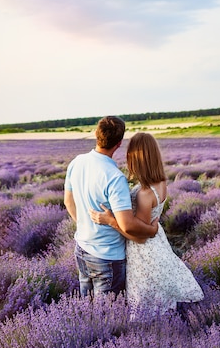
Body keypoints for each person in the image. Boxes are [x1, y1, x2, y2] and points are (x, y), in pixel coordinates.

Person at [89, 132, 204, 314]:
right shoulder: (161, 182)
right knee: (161, 303)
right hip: (158, 246)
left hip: (143, 255)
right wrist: (150, 228)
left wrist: (110, 220)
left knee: (144, 305)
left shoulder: (144, 193)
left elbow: (139, 236)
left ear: (136, 158)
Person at [64, 116, 158, 297]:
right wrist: (151, 230)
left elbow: (69, 201)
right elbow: (128, 224)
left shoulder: (77, 162)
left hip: (82, 248)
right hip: (107, 257)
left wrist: (86, 226)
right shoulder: (115, 177)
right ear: (119, 143)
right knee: (107, 317)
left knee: (88, 312)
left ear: (96, 134)